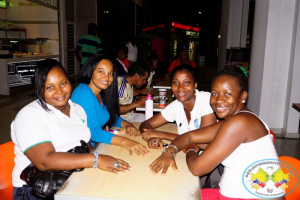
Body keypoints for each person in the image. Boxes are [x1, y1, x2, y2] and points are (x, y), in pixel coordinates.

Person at [148, 63, 282, 200]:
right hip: (230, 193)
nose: (218, 101)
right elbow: (189, 136)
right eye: (214, 94)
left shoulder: (239, 123)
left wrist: (189, 148)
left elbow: (197, 168)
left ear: (243, 96)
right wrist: (170, 150)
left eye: (227, 94)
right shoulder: (235, 120)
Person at [11, 59, 131, 200]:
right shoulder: (30, 115)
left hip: (73, 177)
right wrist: (96, 160)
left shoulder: (77, 109)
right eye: (50, 87)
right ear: (39, 89)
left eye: (63, 83)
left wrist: (102, 161)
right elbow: (44, 161)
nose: (59, 91)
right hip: (38, 188)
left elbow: (85, 146)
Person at [71, 55, 149, 156]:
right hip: (86, 152)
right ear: (90, 71)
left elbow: (112, 117)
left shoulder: (101, 92)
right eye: (101, 71)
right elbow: (93, 132)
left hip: (100, 145)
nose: (106, 77)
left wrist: (128, 125)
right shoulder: (83, 93)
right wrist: (125, 142)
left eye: (110, 73)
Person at [139, 64, 216, 149]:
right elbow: (146, 124)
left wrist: (161, 134)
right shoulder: (176, 105)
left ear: (195, 85)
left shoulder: (206, 100)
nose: (180, 87)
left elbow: (204, 143)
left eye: (186, 82)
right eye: (176, 82)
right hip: (187, 153)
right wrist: (152, 138)